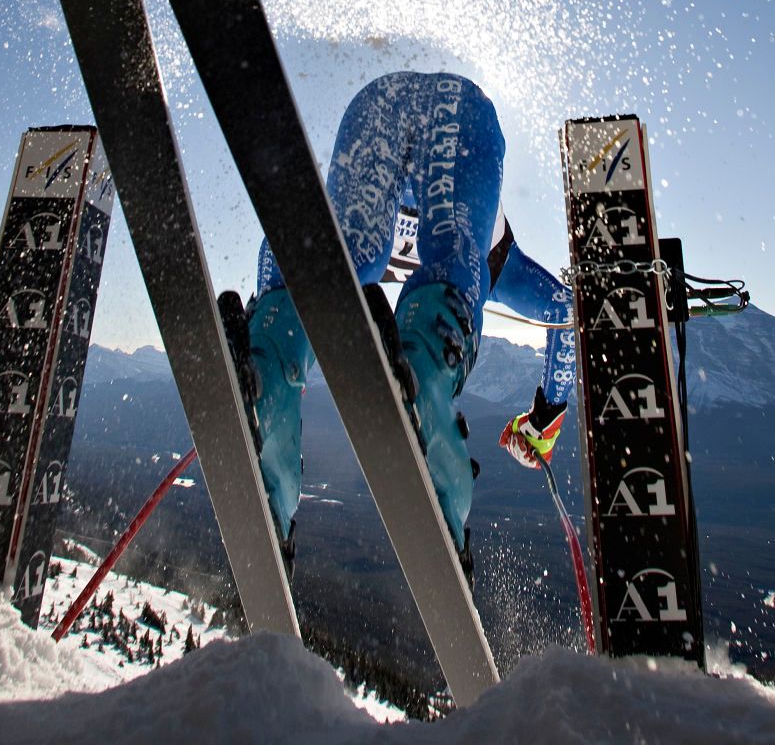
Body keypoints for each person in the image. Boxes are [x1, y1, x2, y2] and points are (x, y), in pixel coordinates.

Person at [245, 71, 574, 562]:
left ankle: (270, 369)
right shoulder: (497, 262)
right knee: (454, 260)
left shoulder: (491, 259)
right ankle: (426, 372)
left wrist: (269, 320)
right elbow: (564, 314)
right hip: (459, 111)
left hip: (377, 103)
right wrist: (543, 423)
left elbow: (288, 242)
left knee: (346, 262)